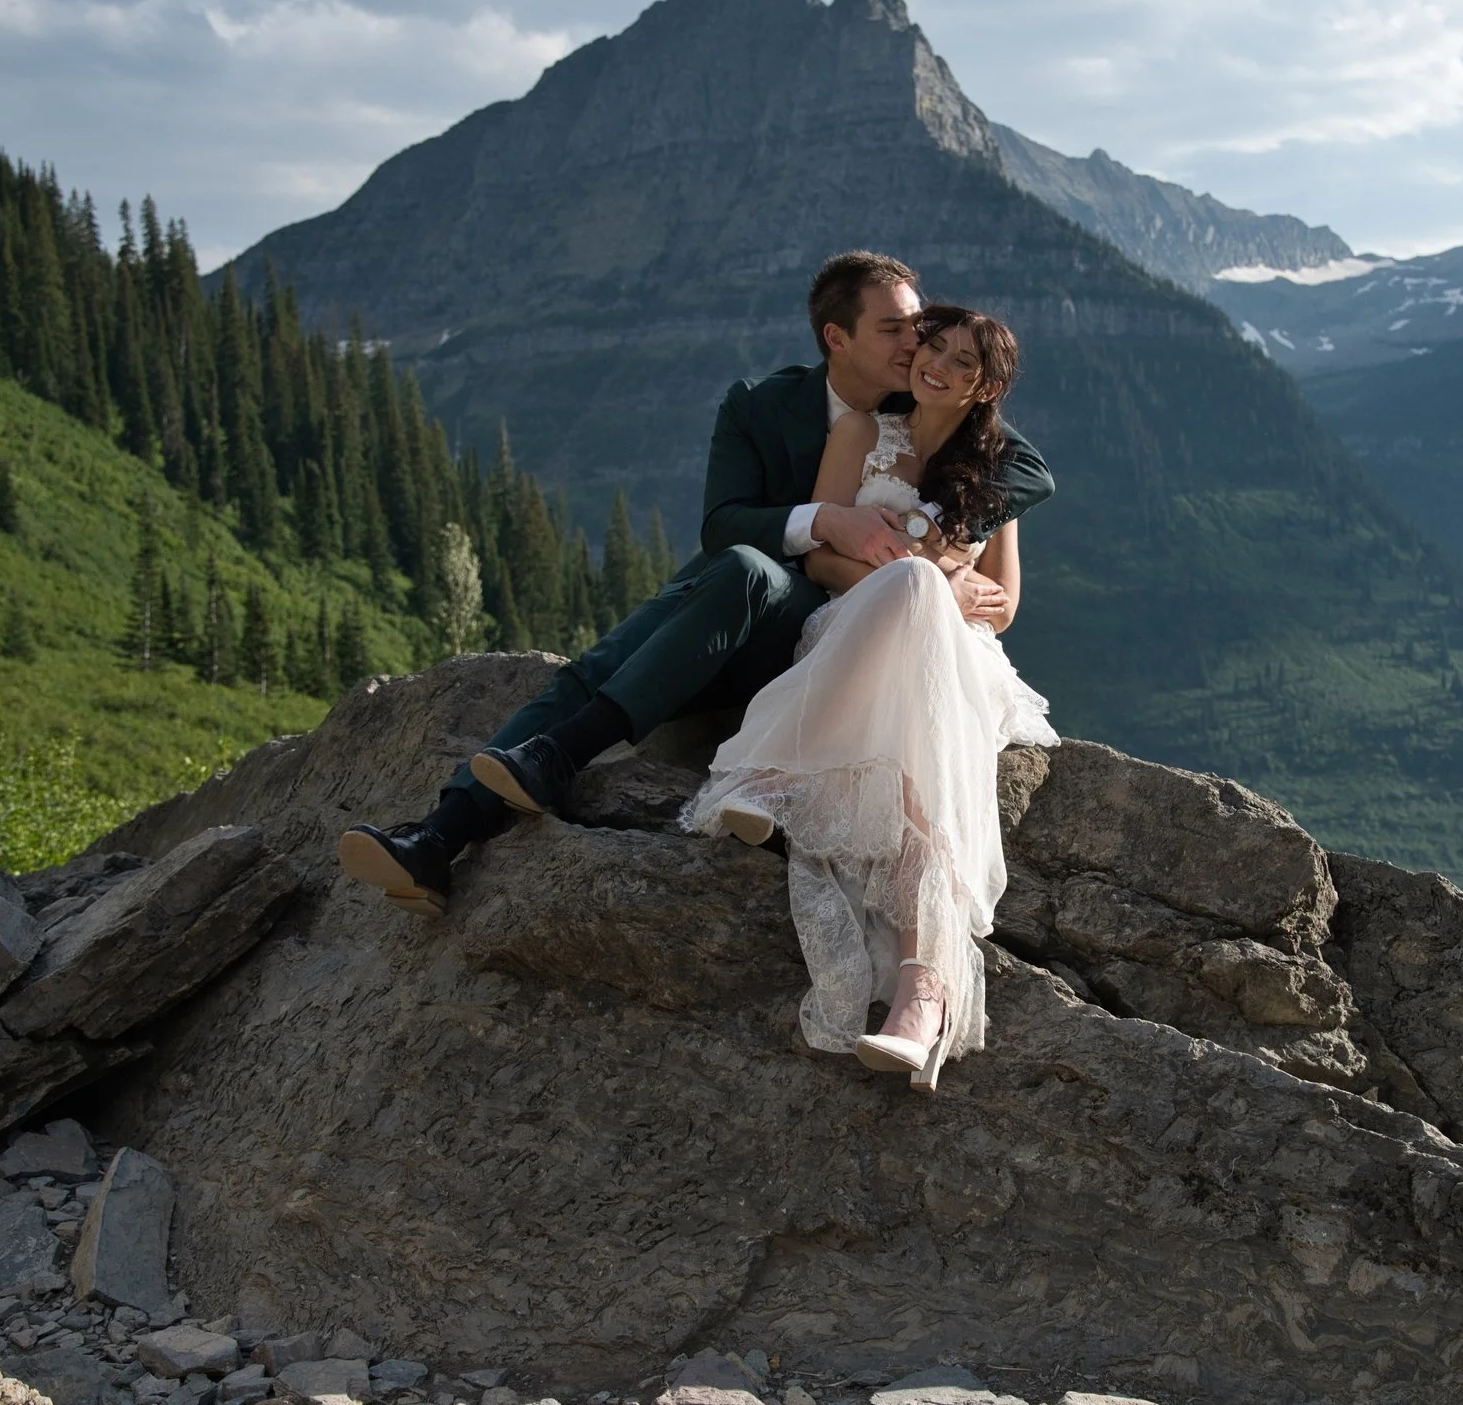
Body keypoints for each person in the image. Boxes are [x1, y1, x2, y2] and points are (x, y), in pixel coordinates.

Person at [336, 252, 1053, 915]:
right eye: (896, 328)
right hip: (736, 601)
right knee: (598, 664)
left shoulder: (941, 419)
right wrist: (825, 518)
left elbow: (1030, 474)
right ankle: (439, 835)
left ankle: (552, 760)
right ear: (838, 337)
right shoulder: (760, 407)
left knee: (739, 573)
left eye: (921, 328)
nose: (915, 343)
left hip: (831, 625)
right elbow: (725, 522)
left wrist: (934, 568)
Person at [685, 305, 1054, 1092]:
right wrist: (919, 586)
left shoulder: (995, 471)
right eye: (935, 346)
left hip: (955, 654)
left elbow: (1006, 603)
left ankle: (918, 991)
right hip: (857, 624)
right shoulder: (859, 433)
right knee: (917, 601)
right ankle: (921, 991)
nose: (939, 366)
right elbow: (822, 562)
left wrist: (946, 596)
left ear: (984, 386)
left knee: (920, 730)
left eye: (963, 363)